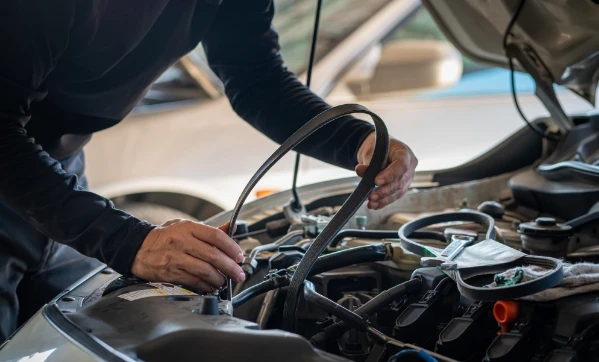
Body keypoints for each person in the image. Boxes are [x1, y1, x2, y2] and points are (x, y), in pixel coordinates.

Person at [0, 0, 418, 342]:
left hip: (54, 173)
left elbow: (256, 78)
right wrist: (130, 242)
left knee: (65, 338)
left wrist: (358, 141)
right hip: (18, 168)